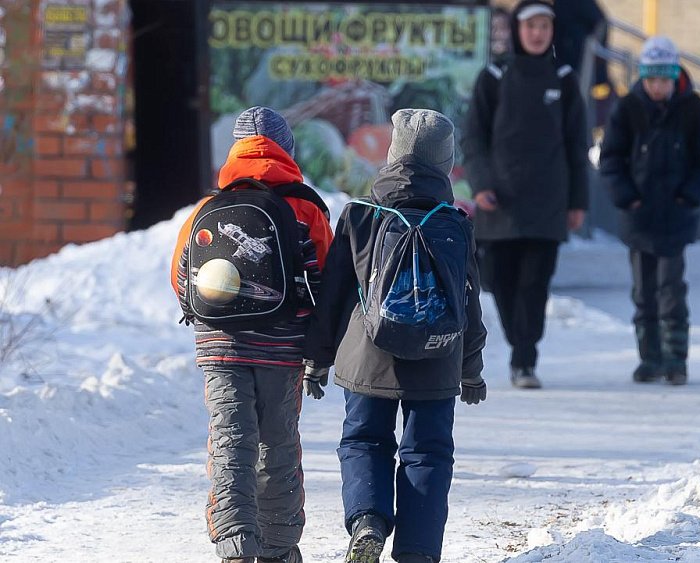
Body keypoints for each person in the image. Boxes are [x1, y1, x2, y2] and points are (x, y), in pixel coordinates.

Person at [302, 109, 488, 563]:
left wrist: (317, 359)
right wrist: (471, 372)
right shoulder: (456, 224)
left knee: (365, 441)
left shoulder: (361, 217)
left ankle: (368, 519)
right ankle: (418, 553)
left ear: (392, 156)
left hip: (367, 355)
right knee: (428, 453)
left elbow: (333, 296)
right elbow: (470, 306)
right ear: (444, 164)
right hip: (437, 357)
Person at [171, 106, 334, 563]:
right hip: (282, 348)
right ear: (288, 150)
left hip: (219, 345)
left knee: (230, 435)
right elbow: (329, 278)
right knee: (277, 440)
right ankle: (280, 548)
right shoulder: (304, 206)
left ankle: (235, 538)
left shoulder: (208, 208)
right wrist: (319, 344)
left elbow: (180, 276)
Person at [462, 0, 590, 389]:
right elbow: (474, 137)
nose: (538, 33)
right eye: (531, 26)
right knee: (500, 280)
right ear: (518, 29)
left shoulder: (564, 78)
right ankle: (519, 342)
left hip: (548, 201)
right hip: (498, 201)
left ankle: (525, 357)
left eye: (544, 27)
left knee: (535, 282)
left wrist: (578, 201)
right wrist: (482, 184)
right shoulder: (494, 75)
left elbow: (576, 144)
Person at [599, 36, 700, 385]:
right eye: (651, 80)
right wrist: (628, 198)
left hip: (676, 217)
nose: (657, 87)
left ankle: (676, 359)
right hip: (639, 216)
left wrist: (688, 198)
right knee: (643, 290)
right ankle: (649, 358)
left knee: (671, 288)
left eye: (664, 80)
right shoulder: (627, 108)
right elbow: (610, 160)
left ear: (675, 77)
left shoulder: (694, 109)